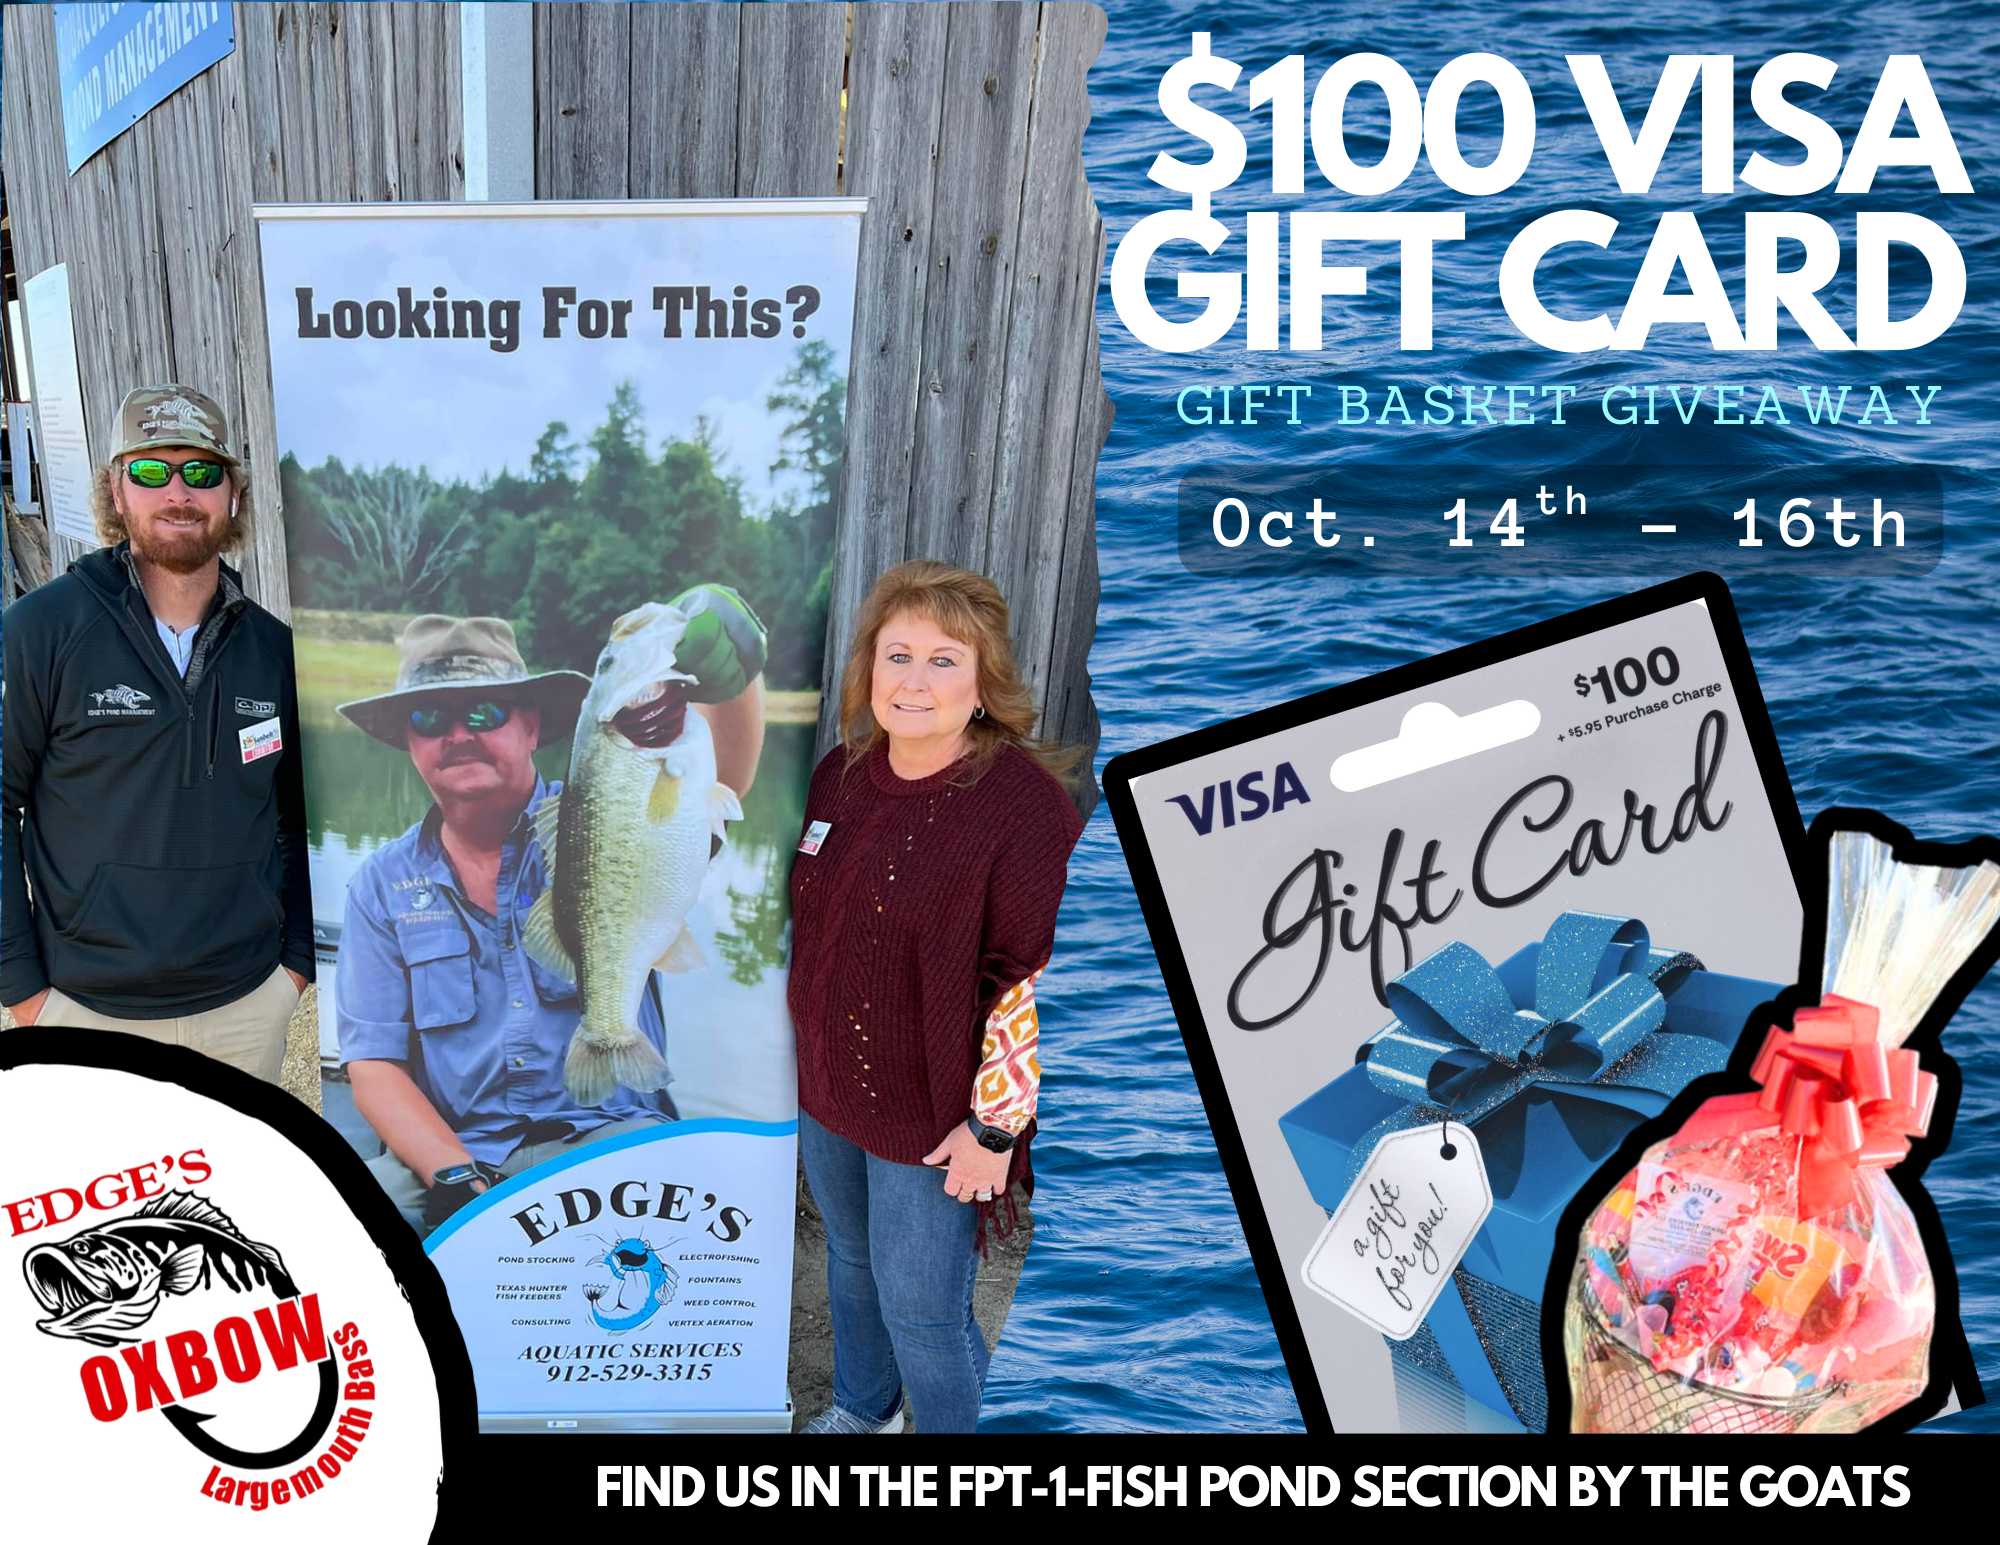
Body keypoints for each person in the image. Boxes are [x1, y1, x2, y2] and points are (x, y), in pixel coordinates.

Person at [335, 592, 767, 1233]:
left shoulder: (606, 805)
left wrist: (738, 666)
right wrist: (454, 1174)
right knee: (342, 1226)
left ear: (532, 726)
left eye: (484, 711)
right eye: (430, 717)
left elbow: (726, 776)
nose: (458, 735)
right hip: (458, 1149)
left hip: (610, 1135)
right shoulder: (381, 884)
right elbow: (372, 1065)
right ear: (409, 742)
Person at [790, 560, 1084, 1434]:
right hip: (830, 1087)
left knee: (924, 1308)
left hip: (937, 1112)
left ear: (985, 685)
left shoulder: (1027, 809)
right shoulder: (841, 774)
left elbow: (1032, 979)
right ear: (869, 671)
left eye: (944, 660)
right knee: (849, 1258)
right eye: (898, 655)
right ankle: (861, 1409)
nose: (914, 681)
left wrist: (995, 1127)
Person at [2, 385, 312, 1077]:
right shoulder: (40, 632)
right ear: (117, 491)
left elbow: (298, 818)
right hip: (85, 1011)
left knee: (233, 1190)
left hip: (244, 1008)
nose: (178, 491)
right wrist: (22, 991)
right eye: (150, 471)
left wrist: (291, 971)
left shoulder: (273, 651)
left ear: (233, 494)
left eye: (201, 472)